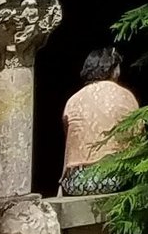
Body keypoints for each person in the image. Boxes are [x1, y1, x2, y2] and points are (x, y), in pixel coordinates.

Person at [60, 46, 140, 188]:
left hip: (76, 183)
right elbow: (138, 135)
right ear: (113, 70)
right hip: (116, 177)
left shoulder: (73, 100)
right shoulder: (125, 96)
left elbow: (70, 135)